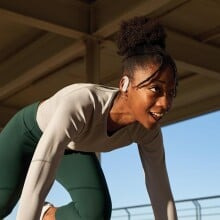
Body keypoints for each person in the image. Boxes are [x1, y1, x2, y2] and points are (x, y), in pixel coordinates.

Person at [0, 15, 178, 220]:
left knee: (94, 212)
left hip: (72, 147)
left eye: (171, 93)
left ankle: (46, 215)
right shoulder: (82, 103)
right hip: (28, 135)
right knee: (3, 203)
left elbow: (160, 190)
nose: (166, 103)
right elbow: (42, 169)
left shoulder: (149, 132)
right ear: (125, 84)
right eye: (155, 89)